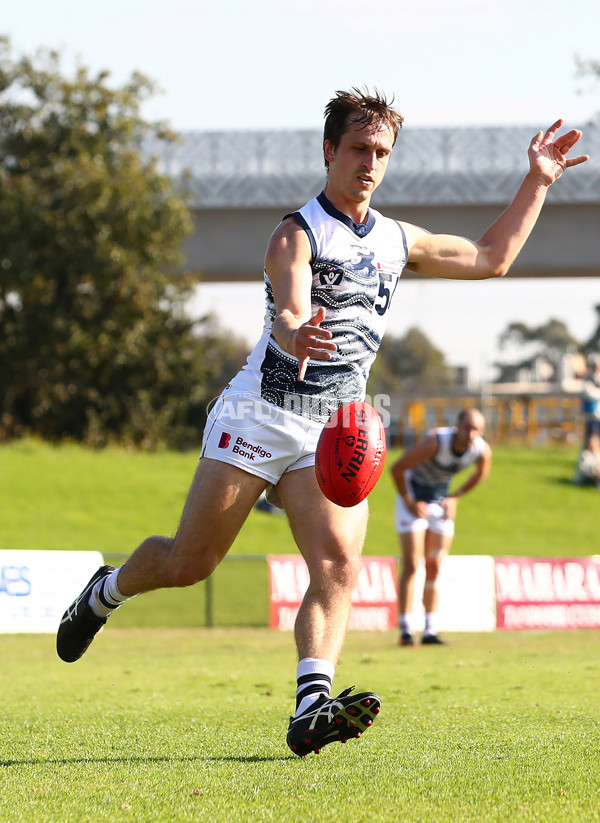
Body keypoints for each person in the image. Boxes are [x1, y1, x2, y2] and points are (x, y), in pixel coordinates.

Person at [56, 88, 588, 757]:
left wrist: (537, 183)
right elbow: (290, 296)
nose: (370, 162)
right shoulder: (295, 231)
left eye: (382, 152)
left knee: (337, 565)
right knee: (191, 561)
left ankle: (312, 703)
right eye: (359, 149)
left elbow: (490, 258)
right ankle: (103, 593)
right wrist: (295, 324)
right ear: (330, 150)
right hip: (259, 412)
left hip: (334, 428)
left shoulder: (398, 239)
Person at [390, 408, 492, 646]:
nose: (471, 433)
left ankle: (430, 630)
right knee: (413, 563)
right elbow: (397, 468)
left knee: (434, 565)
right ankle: (405, 630)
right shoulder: (435, 442)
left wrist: (456, 497)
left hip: (439, 502)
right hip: (412, 498)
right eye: (467, 427)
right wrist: (409, 501)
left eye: (476, 429)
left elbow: (482, 474)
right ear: (457, 427)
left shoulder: (481, 450)